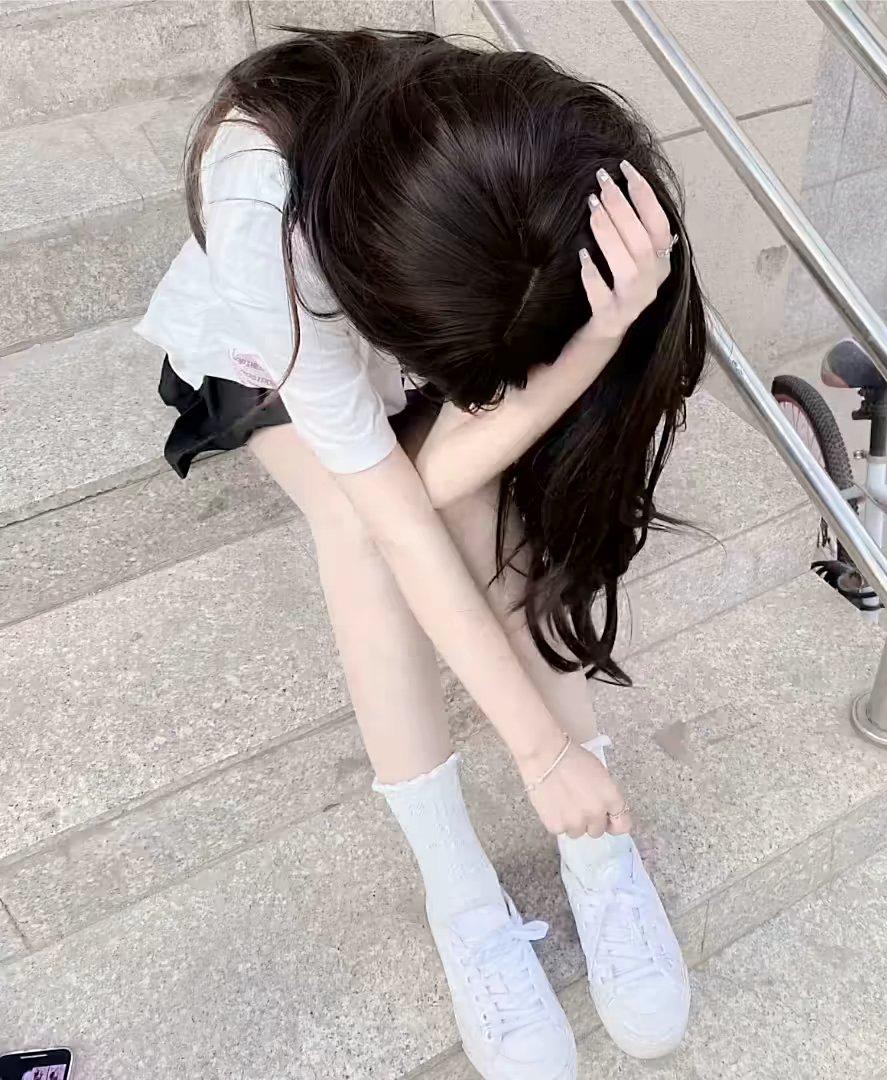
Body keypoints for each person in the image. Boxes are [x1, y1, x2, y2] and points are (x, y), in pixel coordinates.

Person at [136, 24, 706, 1080]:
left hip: (416, 308)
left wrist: (606, 325)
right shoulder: (261, 212)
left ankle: (599, 849)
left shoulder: (483, 143)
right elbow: (393, 513)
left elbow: (432, 483)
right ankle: (462, 897)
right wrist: (537, 753)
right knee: (362, 525)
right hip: (269, 350)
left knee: (466, 497)